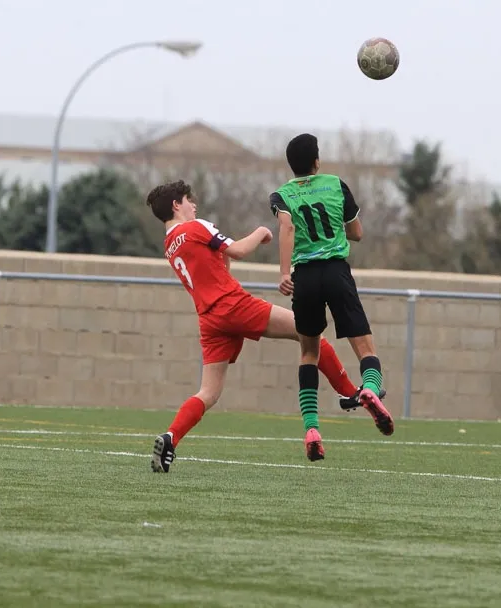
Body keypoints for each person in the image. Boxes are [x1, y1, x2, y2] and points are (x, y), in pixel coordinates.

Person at [145, 180, 365, 472]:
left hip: (209, 319)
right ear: (176, 205)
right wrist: (261, 232)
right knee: (309, 332)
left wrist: (222, 255)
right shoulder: (196, 227)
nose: (193, 205)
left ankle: (170, 438)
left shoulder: (169, 245)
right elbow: (237, 251)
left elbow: (221, 262)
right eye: (188, 199)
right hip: (233, 305)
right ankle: (348, 392)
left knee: (208, 393)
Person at [270, 133, 394, 455]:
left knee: (309, 353)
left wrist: (284, 273)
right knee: (364, 346)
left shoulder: (282, 195)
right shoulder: (336, 185)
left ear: (292, 165)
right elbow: (357, 232)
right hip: (337, 273)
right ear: (317, 161)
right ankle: (370, 388)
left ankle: (312, 429)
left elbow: (287, 228)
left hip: (305, 277)